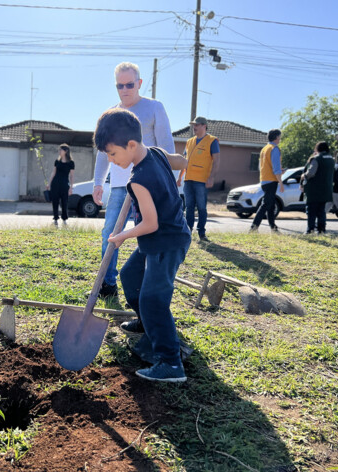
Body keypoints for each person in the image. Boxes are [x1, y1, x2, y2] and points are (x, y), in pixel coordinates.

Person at [94, 108, 190, 382]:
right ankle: (147, 324)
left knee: (153, 299)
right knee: (129, 275)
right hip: (162, 236)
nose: (111, 161)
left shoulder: (138, 181)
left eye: (113, 154)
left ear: (132, 145)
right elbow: (178, 161)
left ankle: (171, 363)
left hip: (166, 241)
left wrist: (122, 235)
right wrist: (184, 161)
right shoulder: (156, 153)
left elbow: (150, 223)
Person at [92, 61, 175, 300]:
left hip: (149, 184)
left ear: (139, 83)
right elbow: (102, 152)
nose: (125, 89)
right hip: (119, 187)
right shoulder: (111, 115)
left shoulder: (154, 108)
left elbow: (166, 147)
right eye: (120, 85)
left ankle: (149, 286)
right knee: (109, 232)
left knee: (150, 233)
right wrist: (99, 182)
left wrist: (169, 180)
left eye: (130, 84)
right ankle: (107, 284)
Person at [176, 116, 220, 241]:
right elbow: (185, 161)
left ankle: (202, 233)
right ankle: (188, 230)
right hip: (188, 179)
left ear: (204, 126)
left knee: (201, 207)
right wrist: (180, 177)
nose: (194, 127)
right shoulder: (189, 141)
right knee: (189, 207)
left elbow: (217, 161)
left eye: (197, 125)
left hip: (202, 180)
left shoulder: (212, 141)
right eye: (193, 125)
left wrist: (211, 177)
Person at [250, 129, 284, 232]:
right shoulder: (274, 148)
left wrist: (279, 171)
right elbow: (276, 168)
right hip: (271, 181)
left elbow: (265, 166)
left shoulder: (264, 149)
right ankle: (253, 227)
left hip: (264, 180)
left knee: (271, 204)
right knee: (265, 204)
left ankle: (273, 228)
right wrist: (281, 183)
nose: (280, 139)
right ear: (277, 137)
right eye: (280, 137)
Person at [301, 141, 335, 234]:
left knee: (311, 211)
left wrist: (304, 176)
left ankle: (310, 230)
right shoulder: (331, 159)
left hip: (314, 190)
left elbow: (311, 173)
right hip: (326, 190)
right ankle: (321, 230)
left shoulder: (317, 159)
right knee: (321, 211)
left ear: (318, 148)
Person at [46, 143, 74, 226]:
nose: (59, 151)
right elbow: (53, 173)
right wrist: (49, 183)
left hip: (65, 185)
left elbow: (72, 176)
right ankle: (55, 219)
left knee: (64, 202)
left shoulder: (71, 163)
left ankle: (64, 219)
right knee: (55, 202)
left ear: (65, 151)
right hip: (55, 184)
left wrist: (71, 187)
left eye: (60, 150)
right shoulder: (57, 161)